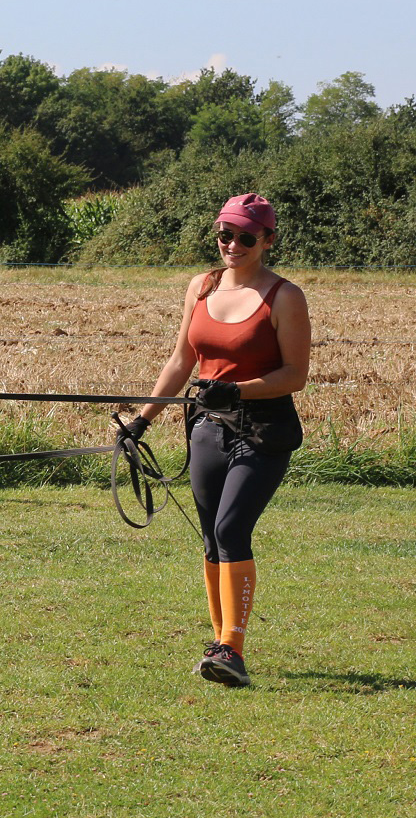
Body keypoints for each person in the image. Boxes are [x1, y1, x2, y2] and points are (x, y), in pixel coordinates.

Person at [122, 193, 310, 687]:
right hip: (206, 425)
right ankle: (219, 643)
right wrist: (142, 421)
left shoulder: (285, 297)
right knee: (210, 537)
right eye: (225, 233)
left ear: (268, 240)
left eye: (246, 237)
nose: (233, 244)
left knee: (231, 529)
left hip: (263, 428)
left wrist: (238, 389)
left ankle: (233, 649)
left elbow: (295, 375)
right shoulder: (201, 288)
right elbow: (181, 362)